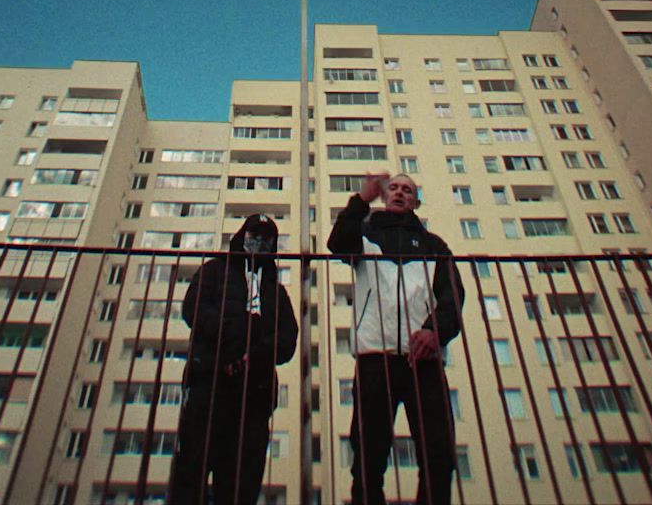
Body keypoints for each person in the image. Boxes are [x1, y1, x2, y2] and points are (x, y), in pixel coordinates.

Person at [327, 172, 464, 505]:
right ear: (385, 197)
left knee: (439, 453)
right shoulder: (364, 234)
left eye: (408, 190)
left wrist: (435, 330)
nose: (400, 193)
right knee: (368, 457)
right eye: (395, 189)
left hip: (425, 361)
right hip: (376, 359)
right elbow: (337, 243)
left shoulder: (435, 245)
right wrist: (361, 200)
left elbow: (453, 295)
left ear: (415, 201)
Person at [169, 214, 299, 505]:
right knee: (192, 467)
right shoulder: (215, 272)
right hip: (210, 384)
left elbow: (287, 338)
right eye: (254, 234)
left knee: (242, 479)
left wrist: (255, 356)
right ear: (242, 236)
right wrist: (230, 347)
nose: (259, 242)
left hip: (255, 393)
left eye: (267, 239)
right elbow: (194, 310)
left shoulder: (275, 290)